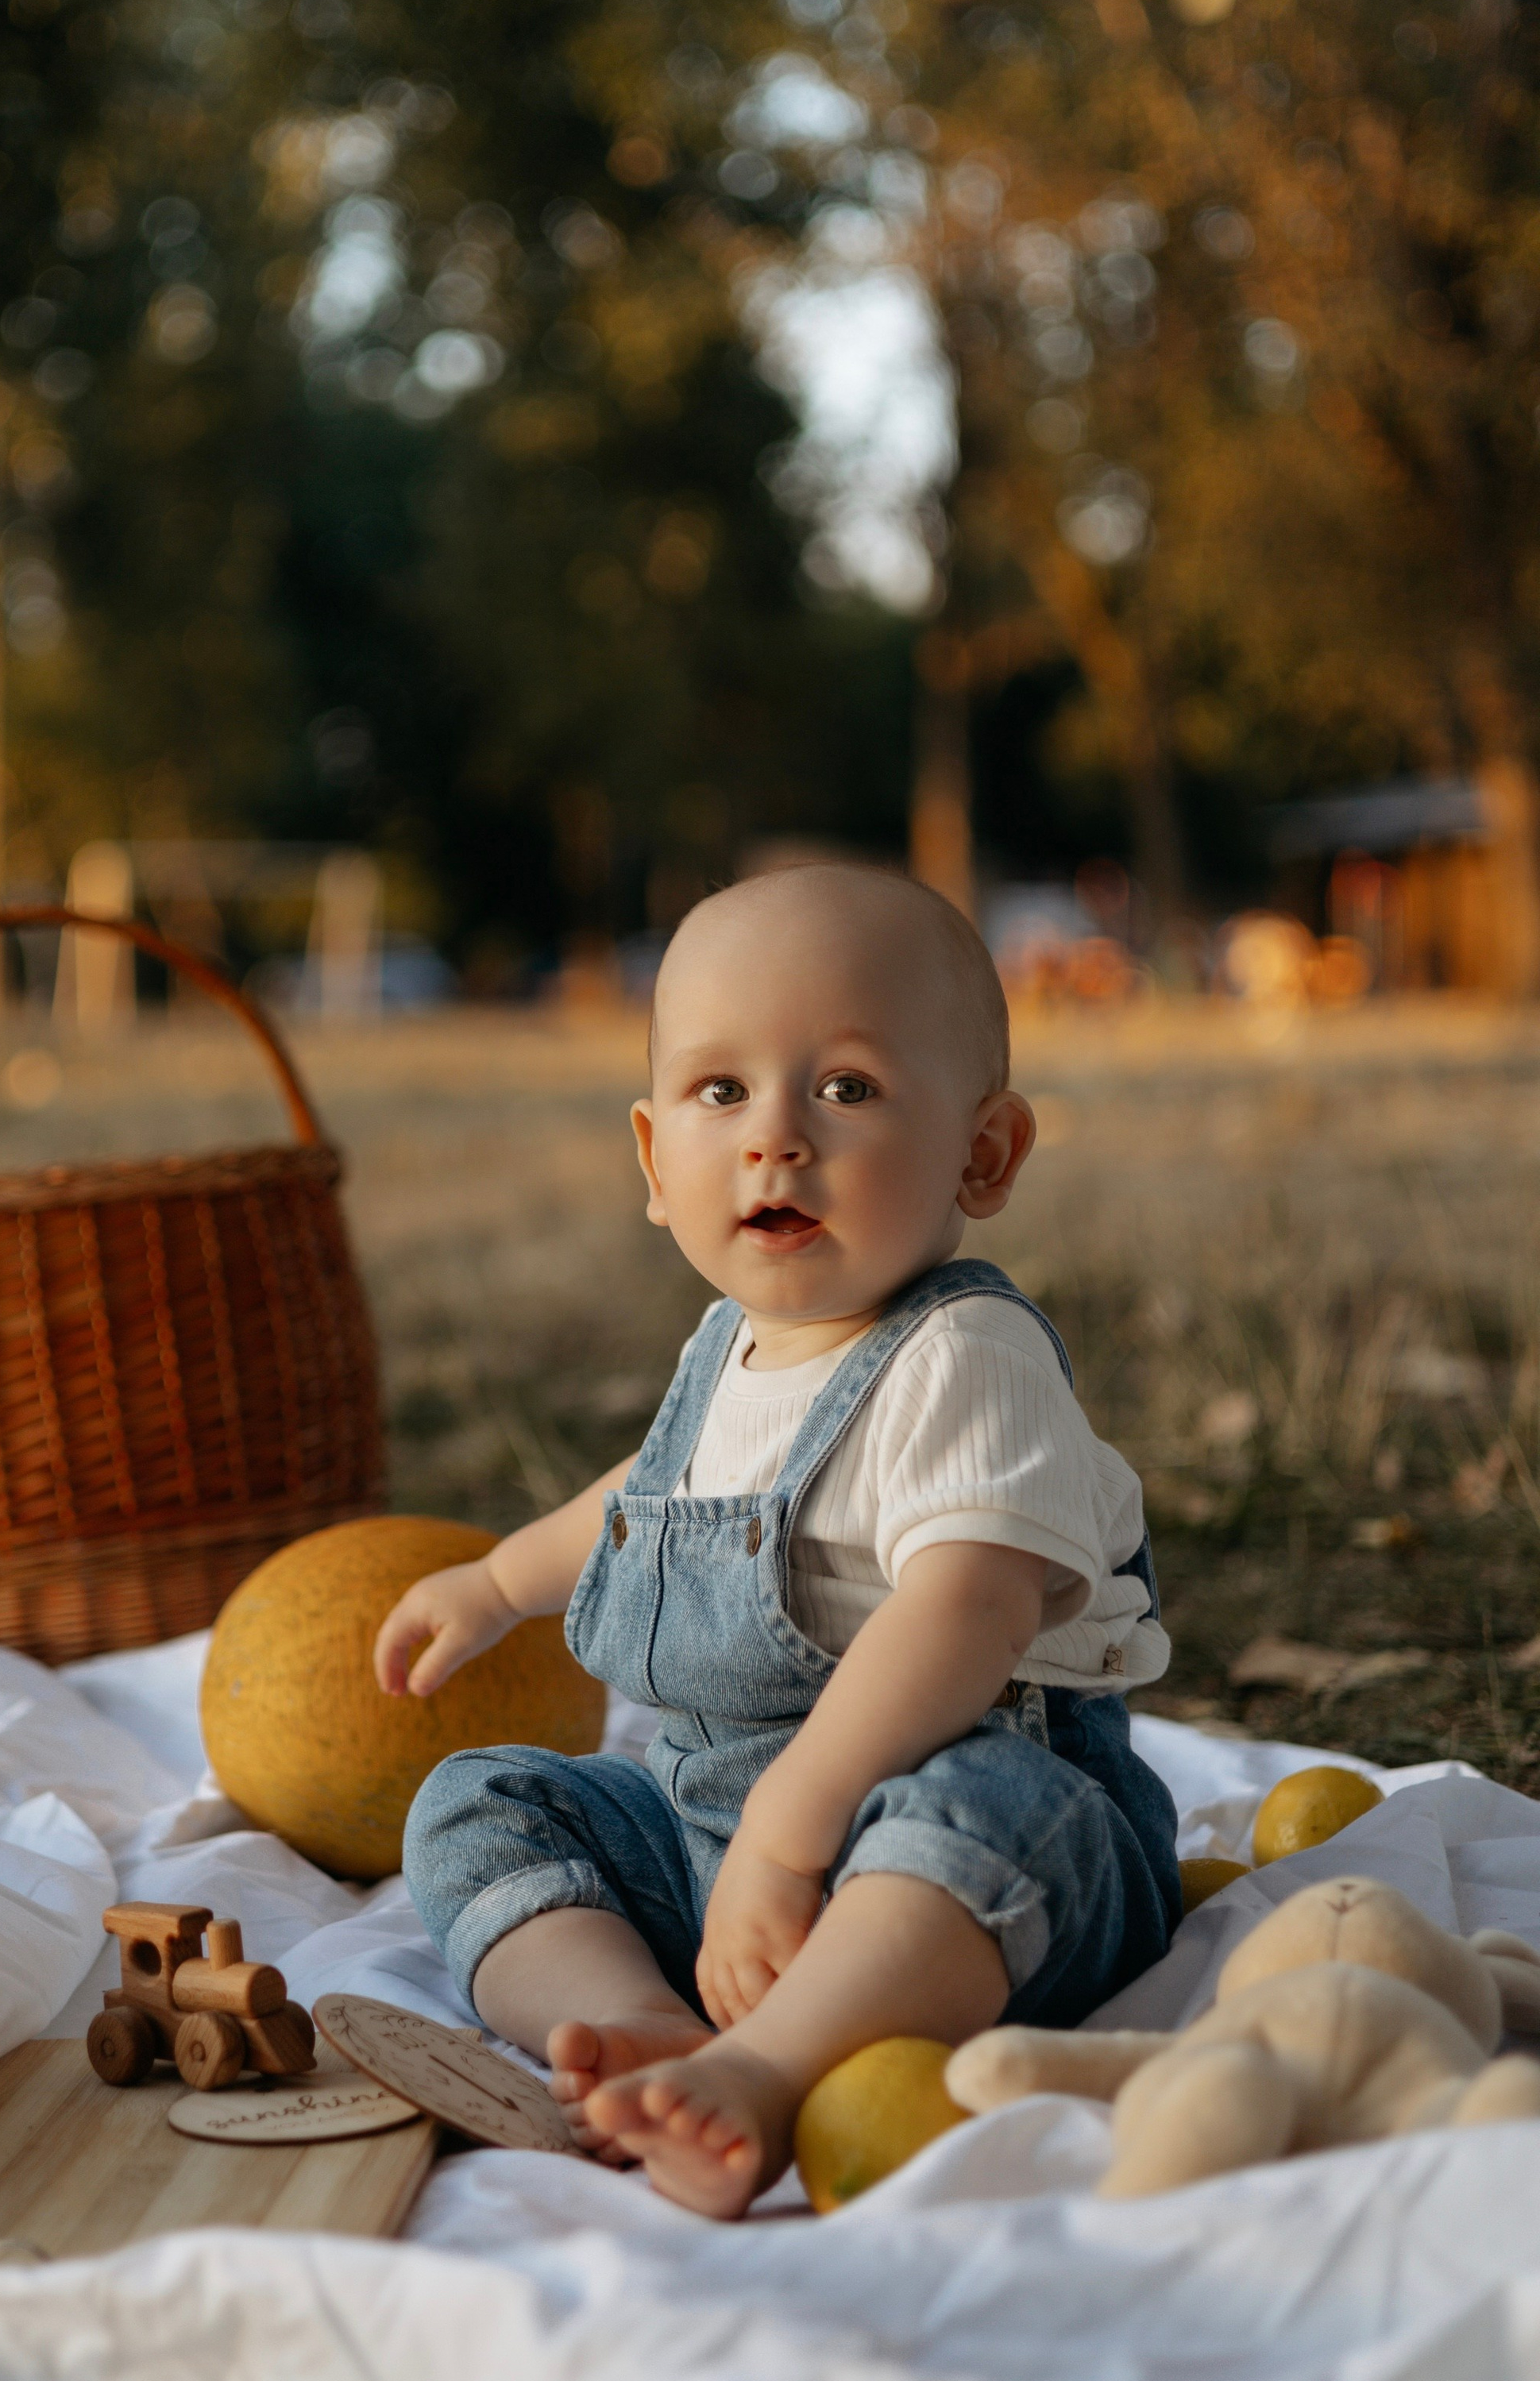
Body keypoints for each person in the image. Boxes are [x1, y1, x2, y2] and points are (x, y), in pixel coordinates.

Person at [375, 863, 1179, 2218]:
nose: (776, 1139)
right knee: (478, 1805)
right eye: (721, 1091)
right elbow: (652, 1492)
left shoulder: (967, 1355)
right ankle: (638, 2022)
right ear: (654, 1161)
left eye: (848, 1088)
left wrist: (793, 1832)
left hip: (943, 1856)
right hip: (718, 1852)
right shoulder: (726, 1348)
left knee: (992, 1813)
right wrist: (499, 1580)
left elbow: (967, 1614)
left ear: (983, 1155)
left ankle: (767, 2069)